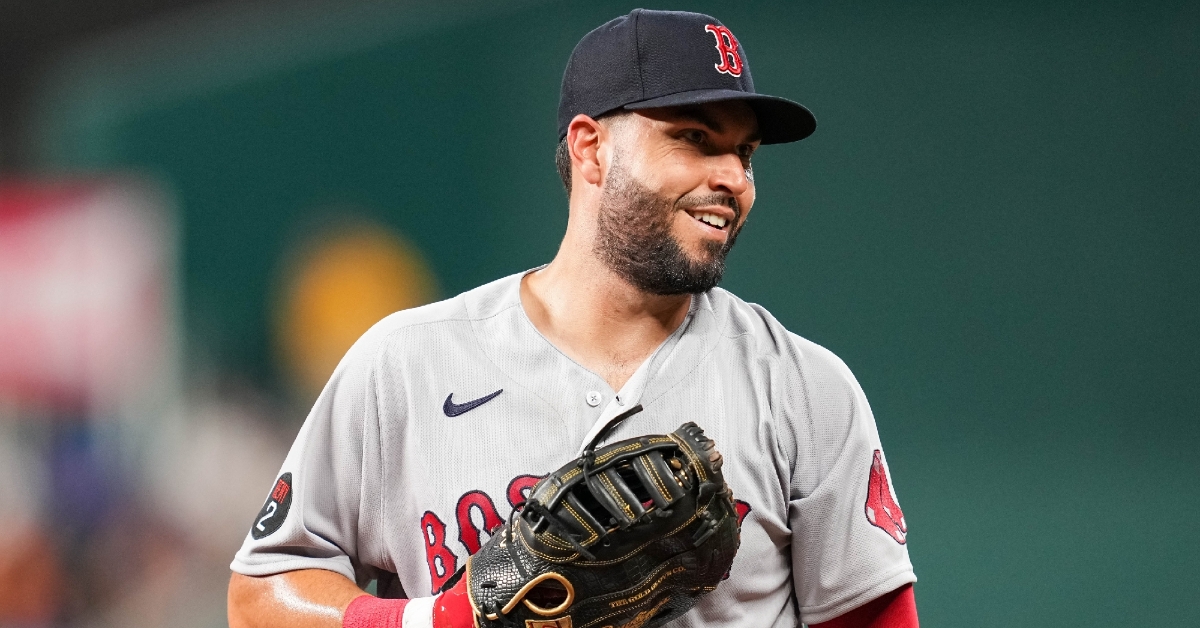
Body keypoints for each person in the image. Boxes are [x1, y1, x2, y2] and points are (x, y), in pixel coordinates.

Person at [228, 9, 918, 628]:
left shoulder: (802, 388)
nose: (732, 178)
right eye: (695, 139)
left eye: (743, 153)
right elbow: (261, 595)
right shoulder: (406, 366)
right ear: (591, 148)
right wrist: (435, 622)